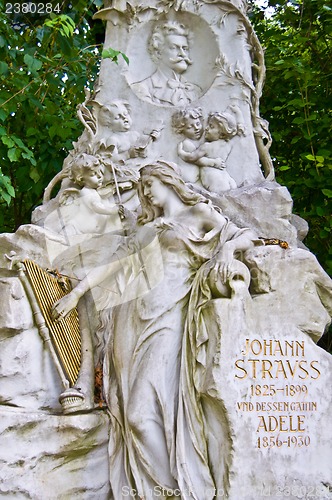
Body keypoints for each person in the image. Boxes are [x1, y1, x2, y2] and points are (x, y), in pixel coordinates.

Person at [52, 161, 257, 498]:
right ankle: (155, 489)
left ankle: (172, 489)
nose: (146, 192)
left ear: (169, 180)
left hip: (171, 315)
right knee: (129, 408)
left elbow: (244, 234)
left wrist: (227, 250)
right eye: (142, 186)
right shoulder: (146, 229)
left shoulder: (199, 213)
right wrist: (76, 293)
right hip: (131, 319)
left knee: (140, 412)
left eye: (150, 183)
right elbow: (112, 265)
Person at [131, 21, 202, 106]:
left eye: (185, 49)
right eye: (173, 48)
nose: (182, 54)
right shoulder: (142, 89)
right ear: (158, 53)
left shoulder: (195, 91)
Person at [177, 111, 240, 193]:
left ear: (222, 134)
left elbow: (192, 158)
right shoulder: (228, 145)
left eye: (211, 126)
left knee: (219, 201)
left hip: (214, 179)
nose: (206, 128)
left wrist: (181, 152)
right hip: (227, 178)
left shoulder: (206, 146)